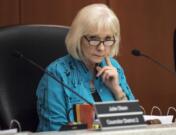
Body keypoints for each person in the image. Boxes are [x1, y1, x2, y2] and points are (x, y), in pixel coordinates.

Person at [36, 3, 135, 131]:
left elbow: (134, 124)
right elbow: (54, 131)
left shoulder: (114, 68)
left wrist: (117, 90)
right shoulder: (56, 74)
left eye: (108, 39)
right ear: (78, 38)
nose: (101, 48)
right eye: (93, 39)